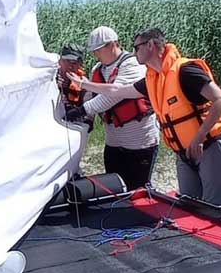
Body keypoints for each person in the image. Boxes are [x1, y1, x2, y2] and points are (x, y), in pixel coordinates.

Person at [69, 28, 221, 205]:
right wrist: (83, 84)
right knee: (189, 206)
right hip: (183, 152)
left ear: (150, 45)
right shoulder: (152, 79)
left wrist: (199, 138)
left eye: (137, 47)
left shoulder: (185, 71)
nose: (133, 52)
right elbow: (117, 90)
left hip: (207, 146)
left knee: (217, 208)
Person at [66, 26, 159, 190]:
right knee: (115, 186)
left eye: (98, 50)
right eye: (93, 51)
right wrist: (86, 121)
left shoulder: (132, 64)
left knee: (138, 190)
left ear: (112, 45)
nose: (95, 55)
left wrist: (83, 110)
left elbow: (114, 95)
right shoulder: (97, 69)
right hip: (113, 142)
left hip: (140, 141)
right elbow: (90, 93)